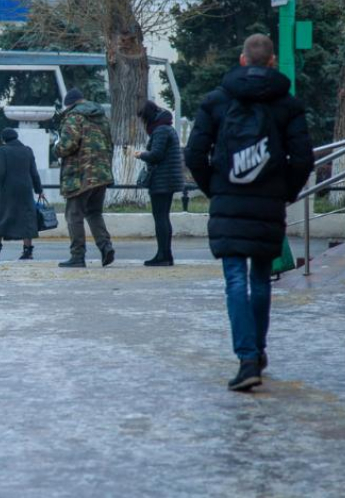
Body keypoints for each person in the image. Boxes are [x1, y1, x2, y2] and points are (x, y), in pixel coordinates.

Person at [184, 33, 314, 391]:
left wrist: (217, 189)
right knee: (260, 279)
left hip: (227, 200)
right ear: (272, 61)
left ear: (243, 60)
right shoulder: (288, 105)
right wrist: (284, 192)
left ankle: (246, 359)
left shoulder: (215, 102)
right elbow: (303, 158)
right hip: (268, 203)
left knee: (235, 281)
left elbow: (194, 155)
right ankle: (257, 352)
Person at [54, 88, 115, 268]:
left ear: (70, 104)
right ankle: (106, 247)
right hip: (101, 174)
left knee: (73, 215)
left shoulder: (74, 117)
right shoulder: (102, 118)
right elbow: (110, 144)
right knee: (94, 212)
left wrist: (55, 148)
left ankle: (77, 256)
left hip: (81, 174)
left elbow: (67, 145)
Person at [134, 101, 185, 266]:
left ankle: (163, 256)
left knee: (161, 218)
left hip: (162, 180)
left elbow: (156, 155)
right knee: (163, 217)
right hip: (167, 179)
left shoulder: (161, 130)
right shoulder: (166, 127)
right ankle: (165, 254)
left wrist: (140, 154)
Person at [0, 128, 45, 261]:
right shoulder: (27, 150)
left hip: (8, 191)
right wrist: (39, 190)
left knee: (2, 217)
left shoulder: (3, 150)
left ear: (3, 139)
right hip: (25, 190)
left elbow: (0, 172)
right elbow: (34, 172)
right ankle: (28, 252)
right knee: (27, 219)